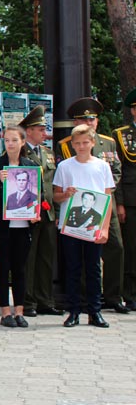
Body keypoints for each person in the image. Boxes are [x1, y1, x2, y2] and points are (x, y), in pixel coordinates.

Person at [57, 98, 127, 314]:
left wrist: (108, 193)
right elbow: (60, 186)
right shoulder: (65, 145)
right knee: (79, 258)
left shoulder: (109, 142)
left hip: (105, 204)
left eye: (92, 119)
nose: (89, 122)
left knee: (115, 248)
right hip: (77, 208)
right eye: (84, 119)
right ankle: (82, 300)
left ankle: (113, 296)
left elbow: (116, 171)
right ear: (76, 122)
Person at [54, 124, 115, 328]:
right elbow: (56, 195)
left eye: (85, 142)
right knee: (72, 268)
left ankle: (94, 311)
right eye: (77, 143)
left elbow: (107, 199)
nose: (81, 146)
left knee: (93, 269)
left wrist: (104, 228)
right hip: (70, 225)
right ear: (72, 144)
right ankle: (73, 311)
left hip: (93, 227)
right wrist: (65, 194)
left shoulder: (102, 166)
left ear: (92, 143)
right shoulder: (65, 166)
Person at [0, 126, 39, 328]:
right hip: (2, 226)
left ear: (22, 142)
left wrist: (36, 213)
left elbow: (37, 195)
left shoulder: (30, 166)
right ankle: (5, 312)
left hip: (23, 226)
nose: (10, 144)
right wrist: (0, 182)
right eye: (7, 140)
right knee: (2, 267)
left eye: (14, 140)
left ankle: (19, 311)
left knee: (20, 269)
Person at [20, 106, 62, 317]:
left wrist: (56, 212)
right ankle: (28, 302)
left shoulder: (48, 153)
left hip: (48, 212)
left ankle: (45, 300)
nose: (45, 133)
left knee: (46, 257)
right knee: (29, 258)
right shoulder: (20, 152)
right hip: (29, 212)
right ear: (29, 131)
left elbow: (52, 186)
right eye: (41, 129)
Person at [113, 87, 136, 311]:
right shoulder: (122, 135)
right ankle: (130, 294)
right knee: (131, 248)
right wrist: (119, 202)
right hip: (131, 199)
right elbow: (118, 173)